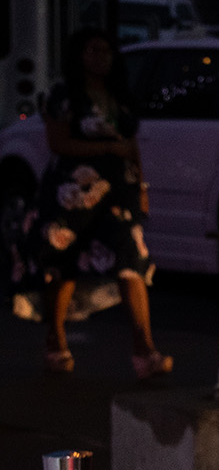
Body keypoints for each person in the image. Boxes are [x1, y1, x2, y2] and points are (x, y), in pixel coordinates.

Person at [18, 30, 170, 376]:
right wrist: (106, 148)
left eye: (106, 50)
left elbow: (130, 144)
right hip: (73, 192)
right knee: (64, 263)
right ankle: (56, 338)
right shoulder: (64, 94)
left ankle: (144, 349)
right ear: (79, 55)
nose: (101, 57)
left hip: (117, 191)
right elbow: (58, 142)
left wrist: (141, 185)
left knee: (131, 259)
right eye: (93, 50)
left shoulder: (119, 95)